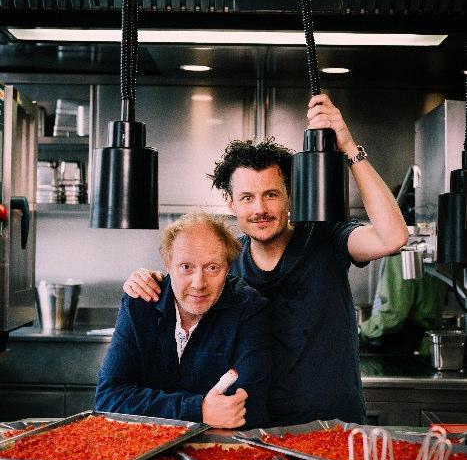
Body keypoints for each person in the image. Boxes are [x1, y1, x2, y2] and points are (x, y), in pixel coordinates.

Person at [123, 94, 409, 426]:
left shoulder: (326, 238)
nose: (260, 209)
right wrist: (145, 280)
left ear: (289, 196)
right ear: (231, 203)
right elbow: (186, 292)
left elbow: (393, 237)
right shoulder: (225, 260)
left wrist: (348, 147)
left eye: (271, 194)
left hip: (333, 427)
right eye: (247, 197)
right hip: (253, 429)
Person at [96, 212, 271, 429]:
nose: (198, 283)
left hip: (216, 444)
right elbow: (108, 399)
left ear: (228, 267)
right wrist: (199, 410)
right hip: (145, 442)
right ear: (168, 264)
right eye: (186, 267)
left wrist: (153, 405)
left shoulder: (250, 310)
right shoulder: (140, 303)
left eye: (212, 268)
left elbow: (248, 408)